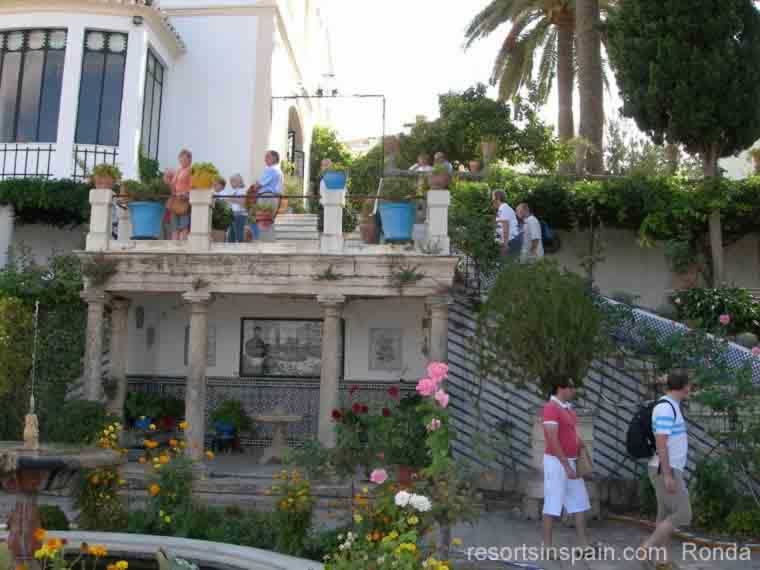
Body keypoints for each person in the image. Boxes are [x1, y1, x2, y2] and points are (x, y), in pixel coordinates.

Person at [639, 370, 692, 570]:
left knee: (664, 515)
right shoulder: (666, 408)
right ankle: (647, 547)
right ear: (684, 386)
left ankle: (662, 561)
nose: (691, 388)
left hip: (666, 468)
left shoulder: (672, 406)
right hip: (665, 469)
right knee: (683, 513)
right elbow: (661, 442)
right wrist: (668, 475)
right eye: (689, 384)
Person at [542, 379, 593, 554]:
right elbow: (552, 439)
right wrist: (566, 466)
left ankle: (583, 544)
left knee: (579, 502)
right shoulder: (551, 408)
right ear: (560, 388)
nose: (574, 390)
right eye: (571, 387)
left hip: (571, 460)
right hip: (556, 463)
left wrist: (580, 446)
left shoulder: (567, 408)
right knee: (552, 503)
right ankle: (547, 547)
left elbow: (571, 433)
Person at [164, 149, 193, 240]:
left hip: (184, 200)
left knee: (184, 226)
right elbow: (173, 185)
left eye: (184, 159)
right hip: (175, 199)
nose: (182, 161)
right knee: (174, 226)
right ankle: (174, 247)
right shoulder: (178, 170)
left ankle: (182, 247)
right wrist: (168, 181)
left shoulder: (191, 170)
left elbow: (192, 185)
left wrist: (186, 193)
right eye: (180, 159)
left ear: (189, 159)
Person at [216, 174, 248, 243]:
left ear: (238, 181)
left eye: (232, 181)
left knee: (239, 236)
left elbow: (243, 202)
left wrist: (231, 199)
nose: (231, 184)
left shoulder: (243, 190)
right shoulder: (235, 191)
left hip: (240, 216)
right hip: (233, 215)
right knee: (231, 238)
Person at [492, 190, 521, 258]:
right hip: (509, 241)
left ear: (498, 198)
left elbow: (505, 226)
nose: (492, 201)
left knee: (505, 265)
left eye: (493, 198)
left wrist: (505, 244)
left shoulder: (504, 208)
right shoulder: (504, 208)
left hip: (509, 242)